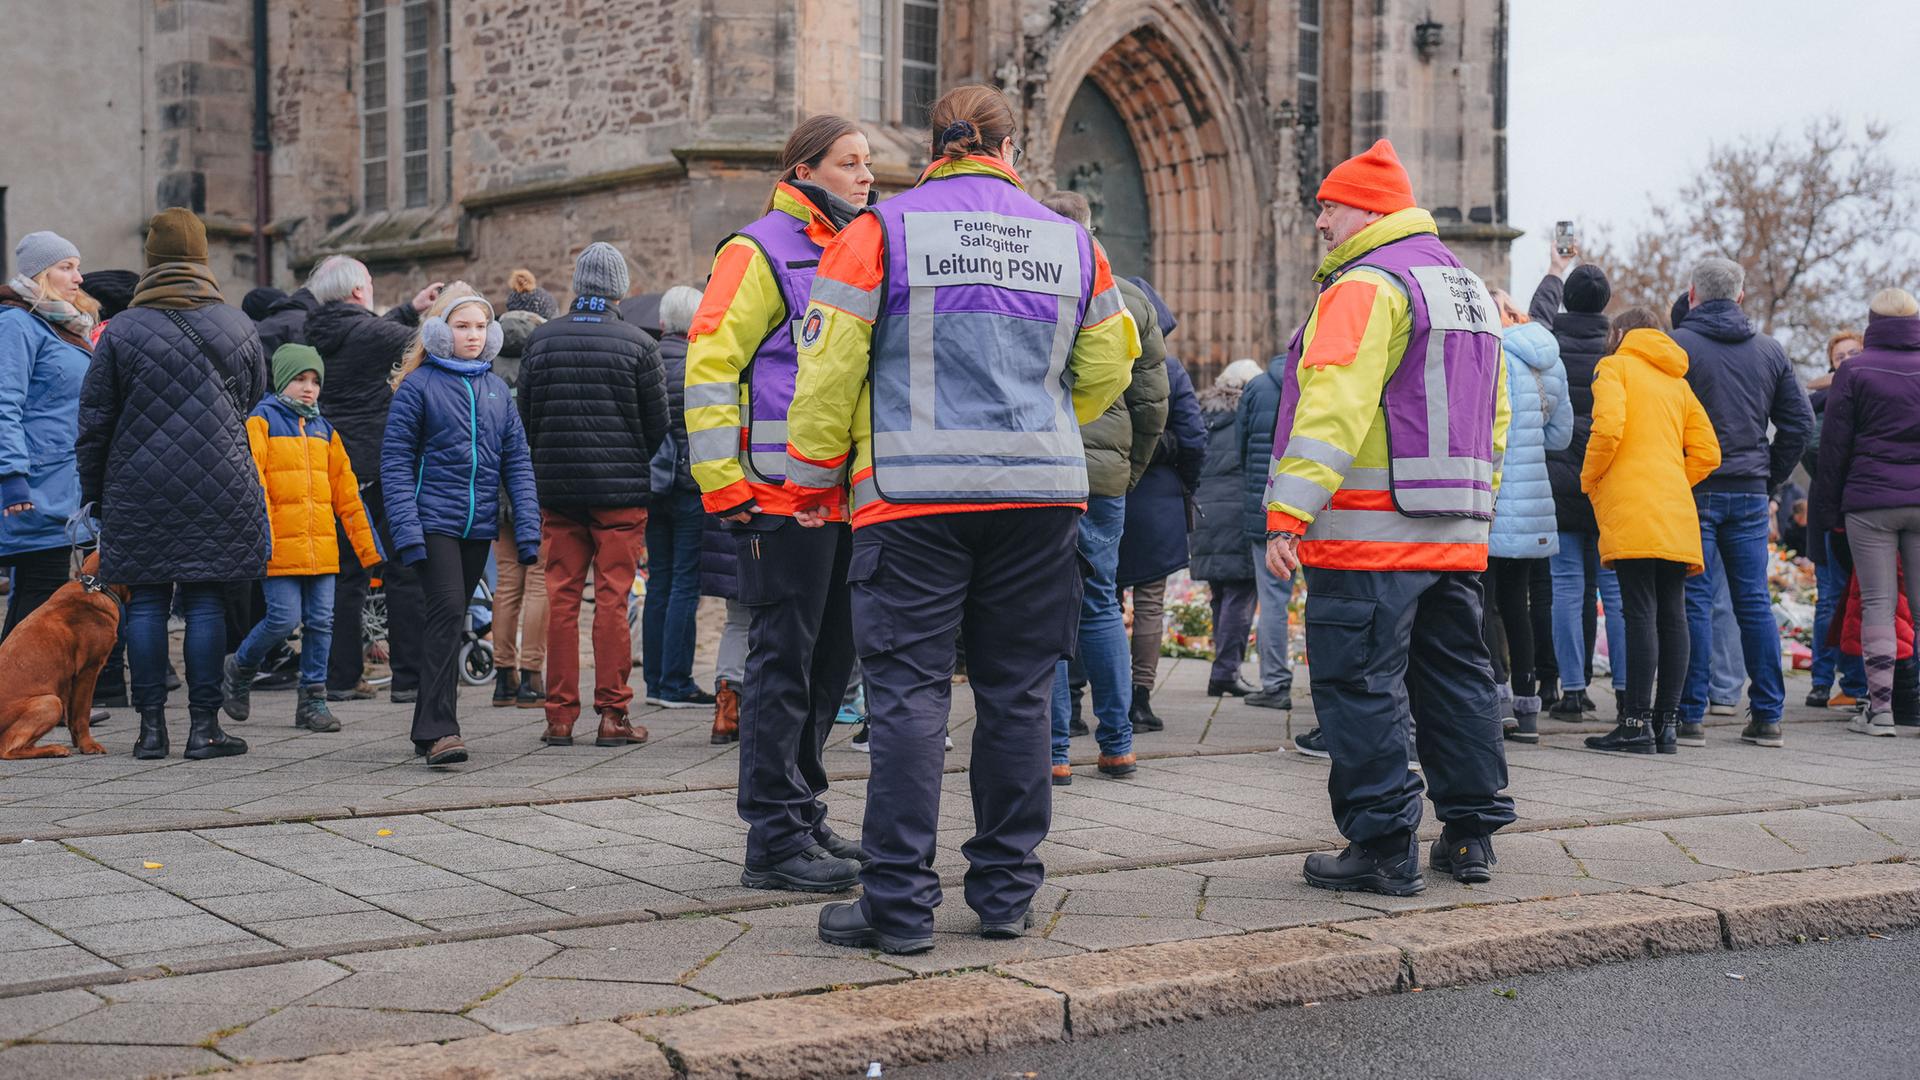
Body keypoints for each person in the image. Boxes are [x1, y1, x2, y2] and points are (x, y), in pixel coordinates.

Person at [789, 85, 1134, 953]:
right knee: (1017, 697)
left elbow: (827, 375)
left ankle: (898, 908)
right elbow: (1107, 372)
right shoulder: (1073, 244)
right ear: (1010, 153)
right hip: (1037, 498)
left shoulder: (880, 233)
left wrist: (810, 483)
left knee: (907, 699)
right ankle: (1007, 896)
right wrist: (1037, 408)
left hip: (910, 500)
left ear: (934, 150)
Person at [1264, 139, 1514, 896]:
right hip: (1456, 534)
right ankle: (1470, 836)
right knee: (1457, 681)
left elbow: (1332, 406)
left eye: (1329, 207)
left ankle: (1382, 844)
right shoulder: (1471, 290)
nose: (1321, 224)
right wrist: (1478, 509)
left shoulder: (1366, 287)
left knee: (1360, 685)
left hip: (1371, 536)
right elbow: (1495, 419)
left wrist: (1288, 511)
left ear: (1369, 208)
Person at [685, 115, 874, 893]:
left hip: (842, 496)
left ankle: (801, 809)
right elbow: (709, 364)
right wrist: (723, 482)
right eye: (850, 163)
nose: (867, 177)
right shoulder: (756, 249)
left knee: (831, 662)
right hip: (772, 494)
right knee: (783, 662)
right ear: (804, 172)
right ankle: (772, 838)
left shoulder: (859, 249)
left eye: (869, 164)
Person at [76, 208, 269, 761]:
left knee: (147, 603)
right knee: (206, 601)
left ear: (152, 260)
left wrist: (95, 493)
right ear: (203, 257)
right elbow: (251, 398)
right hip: (221, 481)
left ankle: (151, 731)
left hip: (137, 483)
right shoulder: (236, 324)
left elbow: (95, 421)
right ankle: (204, 729)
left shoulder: (125, 330)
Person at [1036, 189, 1169, 783]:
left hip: (1041, 468)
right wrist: (1126, 470)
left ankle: (1057, 753)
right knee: (1101, 604)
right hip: (1107, 476)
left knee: (1045, 607)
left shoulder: (1033, 282)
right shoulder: (1132, 298)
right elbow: (1153, 405)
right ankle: (1117, 744)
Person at [515, 244, 667, 746]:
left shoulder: (541, 341)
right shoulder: (638, 343)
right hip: (620, 493)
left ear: (578, 285)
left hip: (558, 490)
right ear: (620, 288)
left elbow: (528, 417)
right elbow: (656, 424)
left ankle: (558, 717)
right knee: (612, 599)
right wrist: (627, 456)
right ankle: (612, 715)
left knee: (561, 600)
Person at [382, 286, 540, 766]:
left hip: (477, 526)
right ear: (439, 332)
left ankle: (425, 725)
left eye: (478, 327)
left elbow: (517, 460)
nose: (472, 335)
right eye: (461, 325)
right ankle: (440, 731)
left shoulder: (494, 389)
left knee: (446, 618)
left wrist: (529, 526)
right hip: (433, 521)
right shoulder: (419, 386)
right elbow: (395, 463)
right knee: (449, 611)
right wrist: (406, 529)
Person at [1670, 257, 1813, 748]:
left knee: (1694, 599)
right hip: (1750, 491)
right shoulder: (1769, 351)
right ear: (1741, 296)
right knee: (1753, 601)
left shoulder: (1678, 348)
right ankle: (1768, 715)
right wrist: (1768, 475)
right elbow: (1799, 425)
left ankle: (1689, 716)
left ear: (1692, 295)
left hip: (1695, 488)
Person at [1578, 309, 1721, 753]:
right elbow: (1708, 451)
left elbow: (1608, 428)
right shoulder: (1678, 382)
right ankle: (1667, 724)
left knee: (1639, 610)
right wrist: (1673, 477)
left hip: (1633, 504)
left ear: (1620, 333)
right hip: (1675, 506)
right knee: (1673, 613)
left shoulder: (1614, 366)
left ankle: (1635, 722)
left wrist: (1592, 478)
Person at [222, 343, 384, 732]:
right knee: (282, 618)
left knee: (322, 622)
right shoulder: (260, 423)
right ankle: (241, 665)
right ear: (281, 380)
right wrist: (259, 537)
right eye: (300, 379)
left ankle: (313, 701)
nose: (309, 388)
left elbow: (347, 495)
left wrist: (368, 548)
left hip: (322, 547)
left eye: (315, 381)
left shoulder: (325, 430)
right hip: (279, 545)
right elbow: (252, 485)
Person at [304, 255, 442, 703]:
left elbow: (365, 333)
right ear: (361, 291)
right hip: (384, 465)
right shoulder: (377, 333)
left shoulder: (313, 330)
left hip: (334, 464)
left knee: (345, 575)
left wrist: (408, 307)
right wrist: (441, 310)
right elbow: (429, 343)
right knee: (403, 567)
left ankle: (341, 678)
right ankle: (409, 677)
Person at [1814, 288, 1920, 736]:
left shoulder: (1854, 371)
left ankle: (1879, 712)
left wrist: (1826, 512)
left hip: (1869, 501)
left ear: (1872, 321)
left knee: (1877, 601)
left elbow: (1834, 446)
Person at [1528, 255, 1624, 720]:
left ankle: (1572, 689)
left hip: (1561, 477)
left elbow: (1536, 318)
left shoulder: (1550, 343)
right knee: (1615, 590)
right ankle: (1627, 689)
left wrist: (1552, 270)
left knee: (1567, 586)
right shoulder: (1617, 349)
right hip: (1609, 481)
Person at [1117, 277, 1207, 729]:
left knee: (1094, 600)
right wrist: (1183, 484)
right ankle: (1139, 699)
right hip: (1156, 499)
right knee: (1150, 602)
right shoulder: (1170, 371)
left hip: (1102, 493)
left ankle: (1076, 704)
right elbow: (1193, 440)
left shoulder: (1094, 354)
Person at [1483, 290, 1571, 743]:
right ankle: (1528, 705)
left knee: (1483, 602)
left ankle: (1496, 701)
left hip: (1494, 499)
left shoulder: (1487, 352)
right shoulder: (1546, 359)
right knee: (1519, 604)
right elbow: (1562, 435)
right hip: (1534, 501)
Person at [0, 231, 95, 640]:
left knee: (37, 591)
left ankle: (24, 692)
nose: (78, 277)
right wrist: (11, 476)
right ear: (40, 274)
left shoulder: (61, 325)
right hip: (33, 484)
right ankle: (22, 694)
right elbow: (4, 403)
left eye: (77, 267)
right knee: (41, 592)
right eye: (66, 267)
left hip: (60, 480)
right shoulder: (18, 324)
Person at [643, 285, 714, 713]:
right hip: (690, 484)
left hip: (653, 486)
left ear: (666, 321)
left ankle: (654, 678)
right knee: (686, 584)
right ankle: (676, 682)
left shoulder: (648, 358)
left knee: (659, 581)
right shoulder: (698, 361)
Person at [1191, 359, 1264, 703]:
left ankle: (1223, 669)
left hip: (1204, 512)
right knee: (1242, 592)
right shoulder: (1246, 415)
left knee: (1221, 593)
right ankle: (1224, 673)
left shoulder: (1201, 412)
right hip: (1236, 511)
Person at [488, 308, 550, 708]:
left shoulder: (486, 367)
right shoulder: (542, 362)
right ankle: (531, 676)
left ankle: (502, 678)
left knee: (507, 582)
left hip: (496, 484)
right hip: (533, 481)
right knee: (540, 580)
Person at [1804, 330, 1868, 710]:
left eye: (1854, 353)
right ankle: (1821, 679)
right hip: (1830, 512)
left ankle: (1855, 681)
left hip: (1862, 510)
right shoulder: (1819, 404)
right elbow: (1811, 449)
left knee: (1859, 599)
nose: (1846, 360)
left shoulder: (1869, 397)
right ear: (1831, 365)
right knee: (1830, 599)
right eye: (1840, 356)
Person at [1237, 354, 1295, 713]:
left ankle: (1275, 683)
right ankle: (1328, 686)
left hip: (1268, 503)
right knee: (1323, 598)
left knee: (1273, 598)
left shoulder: (1257, 386)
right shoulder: (1321, 378)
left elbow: (1240, 448)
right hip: (1322, 505)